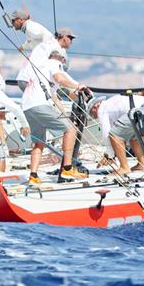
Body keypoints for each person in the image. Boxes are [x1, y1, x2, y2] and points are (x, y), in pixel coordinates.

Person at [22, 46, 89, 184]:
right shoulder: (54, 63)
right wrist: (78, 86)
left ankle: (33, 176)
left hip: (27, 106)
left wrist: (65, 116)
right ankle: (67, 169)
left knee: (39, 143)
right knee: (71, 129)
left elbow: (55, 98)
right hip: (39, 104)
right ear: (63, 60)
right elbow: (60, 78)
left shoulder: (42, 67)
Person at [88, 93, 144, 176]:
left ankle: (124, 167)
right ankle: (142, 164)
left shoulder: (102, 110)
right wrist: (108, 154)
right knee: (134, 136)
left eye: (91, 113)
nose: (94, 116)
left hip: (137, 111)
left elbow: (107, 134)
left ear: (95, 107)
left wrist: (110, 156)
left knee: (114, 135)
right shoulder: (111, 104)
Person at [16, 26, 77, 92]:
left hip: (24, 78)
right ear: (64, 37)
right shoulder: (56, 49)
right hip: (31, 81)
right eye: (71, 38)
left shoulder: (48, 44)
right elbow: (60, 75)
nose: (72, 42)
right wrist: (77, 85)